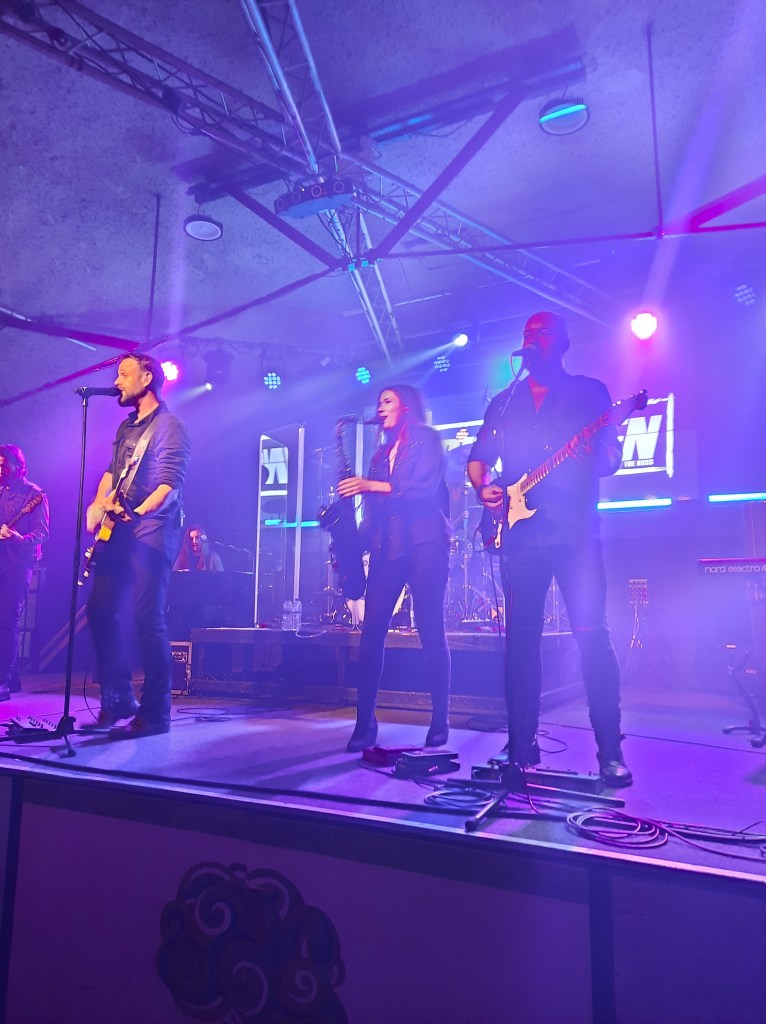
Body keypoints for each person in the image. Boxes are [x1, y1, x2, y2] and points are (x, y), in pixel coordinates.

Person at [467, 311, 632, 787]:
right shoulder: (505, 401)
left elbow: (612, 458)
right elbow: (479, 458)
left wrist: (596, 454)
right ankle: (522, 745)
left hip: (576, 534)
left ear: (562, 344)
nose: (533, 341)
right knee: (520, 642)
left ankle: (610, 751)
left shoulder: (589, 393)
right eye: (528, 335)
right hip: (521, 535)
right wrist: (484, 488)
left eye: (543, 335)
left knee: (592, 636)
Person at [337, 384, 451, 752]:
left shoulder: (428, 440)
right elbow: (373, 510)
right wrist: (351, 539)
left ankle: (440, 719)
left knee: (431, 630)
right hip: (388, 546)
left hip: (425, 542)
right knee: (371, 633)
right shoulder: (379, 456)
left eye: (387, 401)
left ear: (406, 407)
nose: (380, 407)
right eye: (379, 402)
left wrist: (370, 485)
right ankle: (364, 723)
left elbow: (420, 490)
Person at [84, 353, 190, 737]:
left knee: (148, 617)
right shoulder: (126, 427)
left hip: (153, 529)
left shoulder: (170, 426)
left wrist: (138, 512)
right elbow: (111, 473)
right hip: (120, 529)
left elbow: (168, 485)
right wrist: (99, 505)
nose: (117, 381)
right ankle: (118, 698)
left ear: (147, 378)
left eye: (124, 374)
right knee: (99, 608)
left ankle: (156, 713)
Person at [0, 445, 49, 700]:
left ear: (18, 467)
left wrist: (20, 538)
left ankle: (3, 681)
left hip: (18, 563)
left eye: (3, 466)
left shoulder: (35, 494)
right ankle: (13, 676)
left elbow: (43, 532)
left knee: (8, 620)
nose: (0, 471)